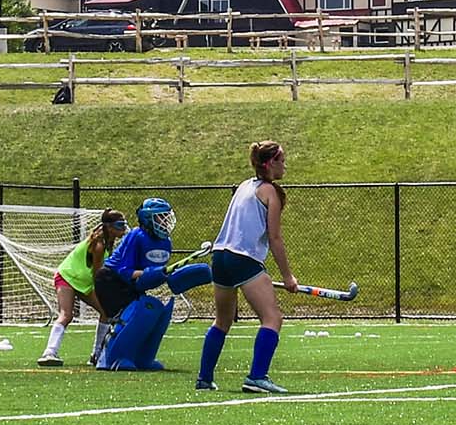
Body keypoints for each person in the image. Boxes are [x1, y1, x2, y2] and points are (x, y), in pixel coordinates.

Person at [196, 140, 295, 394]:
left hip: (220, 257)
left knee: (222, 321)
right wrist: (287, 277)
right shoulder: (269, 192)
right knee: (272, 318)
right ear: (270, 163)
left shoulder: (244, 186)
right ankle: (257, 376)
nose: (285, 165)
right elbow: (275, 239)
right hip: (243, 258)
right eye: (281, 160)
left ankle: (204, 379)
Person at [93, 198, 188, 372]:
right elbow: (124, 271)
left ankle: (144, 358)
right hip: (111, 280)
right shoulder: (136, 236)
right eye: (161, 217)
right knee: (133, 315)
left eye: (167, 216)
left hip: (132, 284)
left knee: (157, 315)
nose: (165, 221)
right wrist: (150, 274)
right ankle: (110, 358)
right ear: (147, 218)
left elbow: (152, 274)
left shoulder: (165, 243)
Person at [41, 208, 127, 366]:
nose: (123, 228)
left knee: (105, 314)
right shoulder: (99, 245)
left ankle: (97, 354)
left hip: (83, 283)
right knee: (66, 315)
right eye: (120, 225)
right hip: (67, 277)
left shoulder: (108, 242)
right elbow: (97, 275)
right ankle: (49, 353)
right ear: (109, 227)